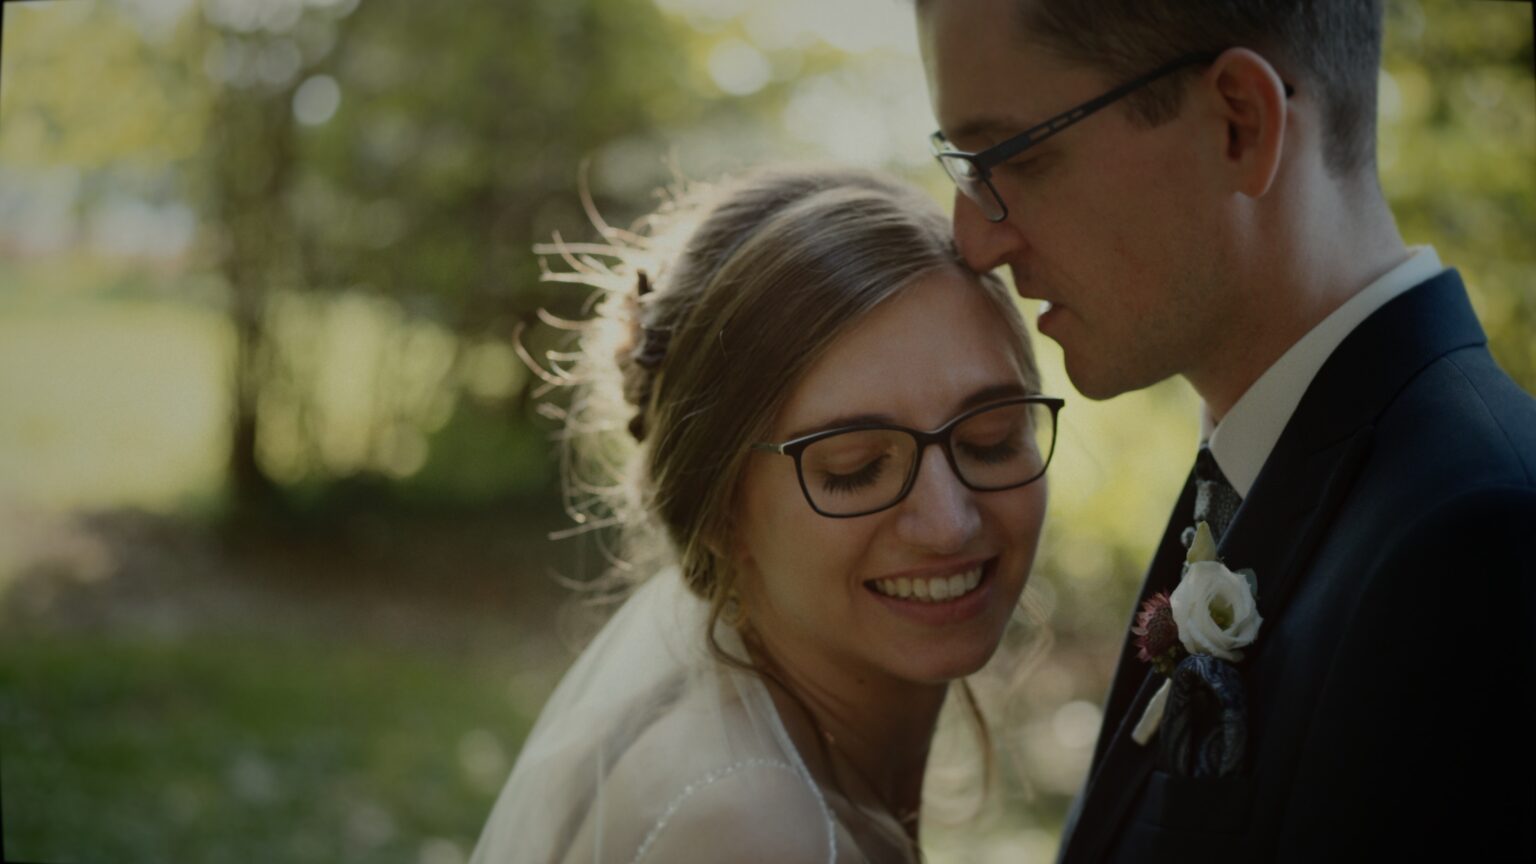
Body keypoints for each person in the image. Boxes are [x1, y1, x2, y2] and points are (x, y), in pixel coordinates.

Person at [915, 1, 1536, 861]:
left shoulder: (1477, 545)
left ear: (1238, 124)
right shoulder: (1264, 473)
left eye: (1013, 157)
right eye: (960, 164)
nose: (973, 241)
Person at [469, 166, 1064, 863]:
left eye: (990, 439)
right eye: (853, 468)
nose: (949, 524)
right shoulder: (758, 833)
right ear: (719, 509)